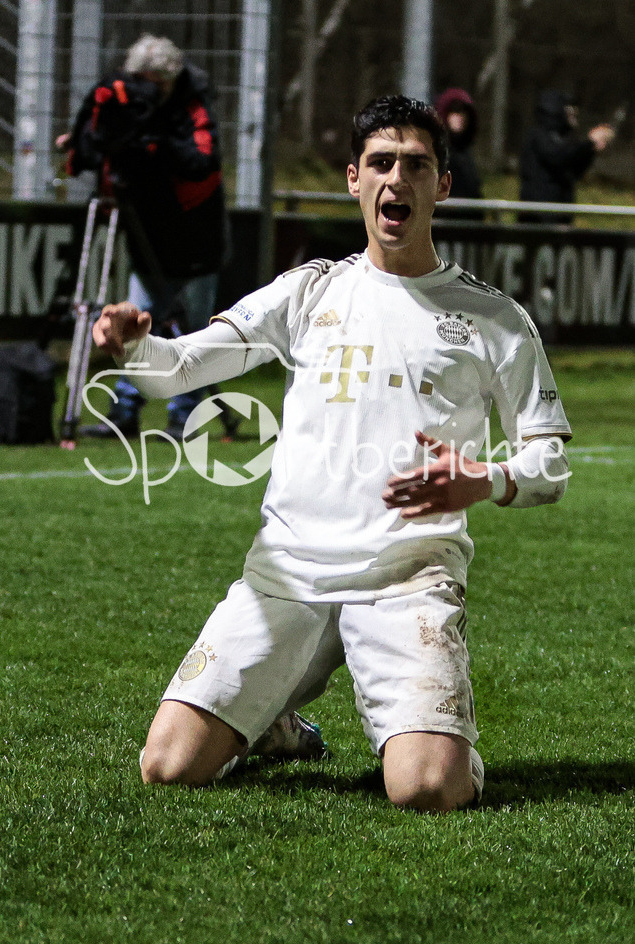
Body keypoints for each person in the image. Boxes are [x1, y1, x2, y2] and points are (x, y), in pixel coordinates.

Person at [92, 95, 572, 812]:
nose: (396, 181)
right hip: (287, 574)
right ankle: (276, 726)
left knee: (428, 790)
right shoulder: (309, 291)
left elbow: (549, 464)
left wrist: (485, 480)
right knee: (166, 766)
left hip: (407, 577)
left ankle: (443, 744)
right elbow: (180, 369)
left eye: (416, 165)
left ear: (443, 185)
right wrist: (134, 345)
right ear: (354, 178)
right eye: (380, 163)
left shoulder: (494, 319)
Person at [57, 33, 231, 440]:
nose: (146, 92)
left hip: (195, 237)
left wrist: (156, 142)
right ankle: (123, 414)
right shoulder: (120, 102)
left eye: (156, 83)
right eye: (141, 81)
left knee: (194, 330)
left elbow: (202, 162)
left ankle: (183, 416)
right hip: (147, 233)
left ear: (171, 80)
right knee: (132, 323)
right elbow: (92, 146)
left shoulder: (193, 105)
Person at [519, 90, 615, 224]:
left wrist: (591, 150)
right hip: (539, 213)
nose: (573, 111)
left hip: (561, 210)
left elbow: (574, 170)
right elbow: (557, 157)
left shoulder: (565, 138)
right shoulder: (539, 134)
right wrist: (589, 143)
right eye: (568, 107)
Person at [434, 87, 483, 219]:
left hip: (468, 227)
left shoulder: (466, 153)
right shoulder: (435, 152)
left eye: (464, 112)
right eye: (455, 111)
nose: (460, 117)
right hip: (444, 226)